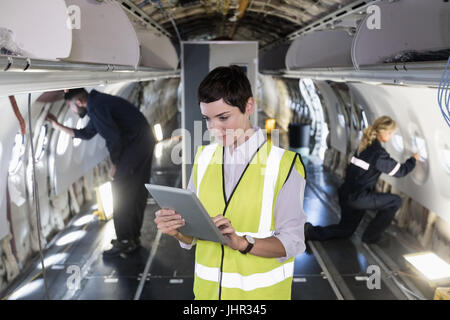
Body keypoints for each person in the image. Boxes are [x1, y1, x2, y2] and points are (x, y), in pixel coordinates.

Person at [154, 65, 307, 300]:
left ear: (249, 106)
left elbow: (293, 243)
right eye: (207, 119)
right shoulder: (203, 159)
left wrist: (243, 243)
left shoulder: (285, 166)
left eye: (223, 117)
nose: (215, 128)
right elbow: (194, 235)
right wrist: (176, 230)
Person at [46, 88, 155, 258]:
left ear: (79, 102)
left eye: (71, 107)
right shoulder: (98, 104)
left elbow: (114, 138)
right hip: (140, 143)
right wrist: (57, 125)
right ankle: (131, 237)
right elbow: (86, 134)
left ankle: (126, 241)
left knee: (122, 193)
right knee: (133, 193)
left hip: (135, 147)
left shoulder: (97, 107)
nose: (72, 111)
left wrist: (115, 164)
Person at [305, 116, 419, 245]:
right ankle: (371, 237)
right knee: (395, 201)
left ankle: (310, 232)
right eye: (391, 133)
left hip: (346, 194)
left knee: (345, 230)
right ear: (384, 133)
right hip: (357, 198)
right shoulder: (378, 153)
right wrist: (413, 160)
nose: (391, 136)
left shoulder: (364, 146)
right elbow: (400, 171)